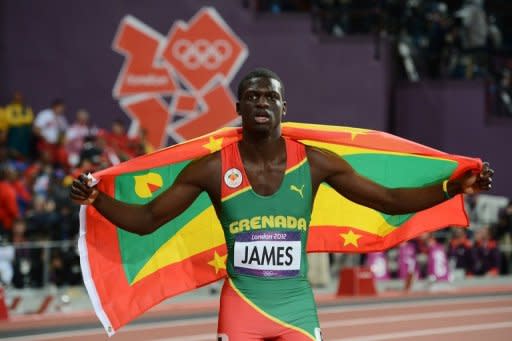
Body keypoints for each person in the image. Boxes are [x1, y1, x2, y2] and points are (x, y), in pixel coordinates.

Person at [71, 68, 494, 341]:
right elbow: (146, 220)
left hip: (295, 305)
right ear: (238, 109)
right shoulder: (212, 169)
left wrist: (452, 189)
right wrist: (97, 200)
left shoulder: (313, 162)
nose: (261, 103)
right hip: (242, 308)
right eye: (252, 97)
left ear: (283, 108)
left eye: (270, 97)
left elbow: (387, 199)